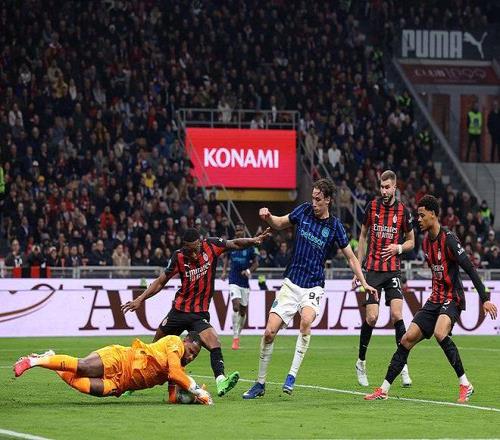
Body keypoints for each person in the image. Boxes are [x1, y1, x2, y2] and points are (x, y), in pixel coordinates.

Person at [243, 178, 378, 399]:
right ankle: (260, 383)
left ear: (328, 200)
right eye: (313, 198)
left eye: (318, 199)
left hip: (313, 286)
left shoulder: (334, 226)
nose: (314, 203)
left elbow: (351, 258)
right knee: (268, 333)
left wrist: (363, 281)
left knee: (306, 321)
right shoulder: (303, 211)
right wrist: (268, 217)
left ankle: (291, 376)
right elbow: (280, 223)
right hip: (291, 283)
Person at [364, 195, 497, 403]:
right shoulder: (426, 242)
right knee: (406, 339)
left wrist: (485, 298)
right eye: (417, 215)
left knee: (439, 332)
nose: (418, 219)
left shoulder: (449, 239)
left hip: (452, 297)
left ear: (433, 214)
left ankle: (465, 384)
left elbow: (470, 268)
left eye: (421, 215)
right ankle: (384, 389)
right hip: (435, 299)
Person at [122, 226, 271, 397]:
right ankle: (131, 383)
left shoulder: (212, 245)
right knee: (152, 350)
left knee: (214, 342)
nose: (192, 254)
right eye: (188, 250)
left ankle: (221, 381)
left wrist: (254, 240)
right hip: (178, 312)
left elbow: (235, 243)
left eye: (194, 249)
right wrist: (140, 299)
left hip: (199, 314)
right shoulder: (178, 256)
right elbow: (161, 281)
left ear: (200, 243)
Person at [14, 332, 213, 404]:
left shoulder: (178, 370)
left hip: (121, 383)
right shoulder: (175, 342)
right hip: (121, 359)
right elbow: (175, 373)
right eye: (191, 351)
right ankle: (32, 362)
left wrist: (192, 398)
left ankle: (48, 358)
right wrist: (198, 390)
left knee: (80, 384)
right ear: (185, 341)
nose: (190, 356)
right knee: (83, 367)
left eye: (194, 356)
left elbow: (172, 397)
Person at [352, 170, 415, 387]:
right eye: (381, 187)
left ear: (395, 187)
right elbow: (362, 236)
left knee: (397, 314)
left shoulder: (403, 211)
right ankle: (361, 362)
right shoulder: (372, 207)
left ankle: (402, 364)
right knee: (372, 318)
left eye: (387, 187)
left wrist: (398, 248)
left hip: (393, 270)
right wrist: (358, 268)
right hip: (372, 270)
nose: (384, 191)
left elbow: (411, 241)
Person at [221, 222, 259, 350]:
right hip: (233, 280)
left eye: (240, 230)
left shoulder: (250, 246)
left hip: (244, 282)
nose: (238, 232)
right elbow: (226, 259)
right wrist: (224, 271)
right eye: (236, 230)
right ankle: (235, 337)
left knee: (243, 311)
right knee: (236, 307)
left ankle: (238, 333)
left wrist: (248, 271)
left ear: (244, 231)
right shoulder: (232, 244)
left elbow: (256, 263)